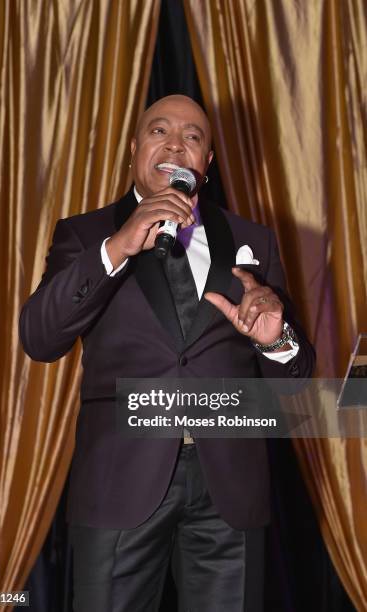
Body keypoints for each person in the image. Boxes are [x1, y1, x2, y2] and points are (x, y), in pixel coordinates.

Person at [19, 95, 315, 612]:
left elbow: (296, 382)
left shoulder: (253, 240)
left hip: (230, 489)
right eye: (159, 131)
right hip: (119, 483)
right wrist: (118, 246)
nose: (176, 143)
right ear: (135, 148)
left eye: (193, 137)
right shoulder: (86, 235)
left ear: (207, 162)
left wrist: (275, 340)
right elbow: (40, 339)